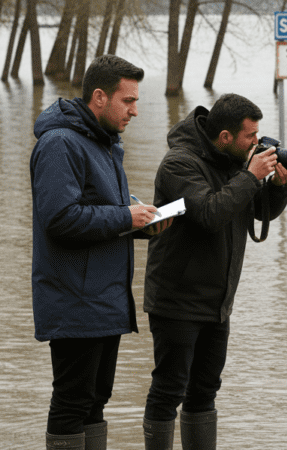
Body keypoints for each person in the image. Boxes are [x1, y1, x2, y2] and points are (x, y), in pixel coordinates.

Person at [30, 55, 172, 450]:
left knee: (95, 403)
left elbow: (102, 209)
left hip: (105, 299)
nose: (135, 110)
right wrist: (126, 217)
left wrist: (142, 223)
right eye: (127, 101)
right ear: (99, 97)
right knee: (73, 402)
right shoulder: (61, 143)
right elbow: (60, 219)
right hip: (74, 298)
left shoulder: (104, 143)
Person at [141, 93, 287, 449]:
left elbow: (259, 212)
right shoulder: (179, 165)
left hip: (217, 301)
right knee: (169, 390)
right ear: (225, 136)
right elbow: (209, 214)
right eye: (249, 137)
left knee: (205, 391)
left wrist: (277, 185)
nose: (257, 143)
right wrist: (252, 175)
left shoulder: (234, 161)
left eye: (258, 135)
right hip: (176, 299)